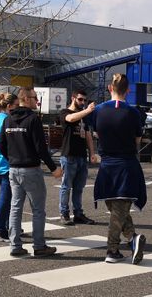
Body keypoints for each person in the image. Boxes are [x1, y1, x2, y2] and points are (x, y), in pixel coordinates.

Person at [0, 87, 62, 257]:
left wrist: (13, 158)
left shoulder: (8, 119)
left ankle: (15, 245)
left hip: (13, 170)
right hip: (31, 170)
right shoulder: (33, 119)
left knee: (15, 208)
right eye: (35, 98)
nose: (37, 101)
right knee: (38, 209)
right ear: (25, 98)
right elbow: (41, 148)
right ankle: (39, 246)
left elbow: (1, 146)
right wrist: (54, 168)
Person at [92, 74, 148, 264]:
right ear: (128, 90)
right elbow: (138, 139)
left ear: (109, 88)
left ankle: (113, 249)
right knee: (119, 208)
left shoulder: (98, 110)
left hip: (107, 164)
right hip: (126, 164)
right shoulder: (133, 112)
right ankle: (132, 238)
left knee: (115, 207)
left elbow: (93, 132)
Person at [58, 90, 97, 226]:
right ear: (73, 98)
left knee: (79, 187)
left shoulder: (83, 116)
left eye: (84, 100)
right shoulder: (65, 112)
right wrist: (87, 110)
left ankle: (78, 213)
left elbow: (88, 135)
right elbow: (71, 119)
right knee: (66, 186)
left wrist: (92, 153)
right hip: (69, 155)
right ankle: (64, 213)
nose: (83, 102)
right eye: (80, 99)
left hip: (81, 156)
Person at [0, 92, 18, 242]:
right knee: (6, 199)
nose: (18, 108)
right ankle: (0, 230)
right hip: (5, 164)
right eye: (16, 105)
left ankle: (8, 225)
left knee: (8, 197)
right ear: (9, 106)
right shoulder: (8, 120)